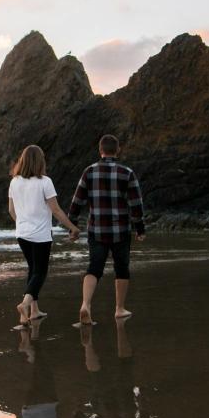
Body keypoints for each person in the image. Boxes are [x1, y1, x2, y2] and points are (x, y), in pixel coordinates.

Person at [68, 134, 145, 324]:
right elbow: (136, 203)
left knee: (94, 267)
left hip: (97, 230)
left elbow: (77, 201)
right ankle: (119, 309)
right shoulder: (126, 172)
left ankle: (86, 304)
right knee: (121, 268)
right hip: (121, 230)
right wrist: (140, 227)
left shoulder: (89, 172)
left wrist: (72, 225)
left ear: (100, 150)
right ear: (117, 150)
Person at [9, 145, 79, 325]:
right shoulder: (44, 181)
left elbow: (11, 210)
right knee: (40, 271)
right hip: (40, 235)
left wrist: (23, 222)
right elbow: (55, 210)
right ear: (40, 161)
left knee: (33, 270)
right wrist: (72, 227)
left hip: (21, 233)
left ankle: (34, 310)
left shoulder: (14, 181)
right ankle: (25, 304)